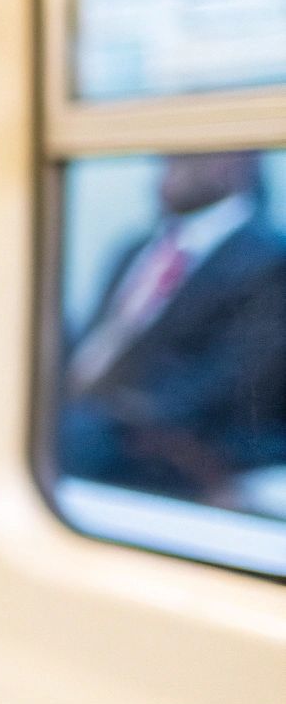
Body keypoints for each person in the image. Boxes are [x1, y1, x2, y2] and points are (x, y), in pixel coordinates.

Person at [59, 151, 286, 501]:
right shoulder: (134, 248)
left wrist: (119, 414)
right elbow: (99, 343)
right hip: (90, 416)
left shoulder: (269, 258)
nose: (168, 166)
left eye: (186, 156)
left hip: (180, 439)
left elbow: (235, 380)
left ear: (238, 162)